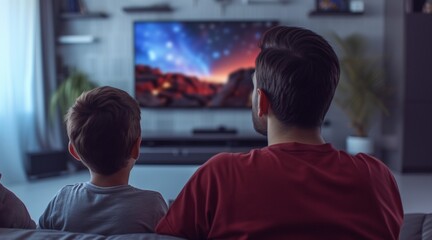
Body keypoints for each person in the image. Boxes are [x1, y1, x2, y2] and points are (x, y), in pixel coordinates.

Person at [155, 26, 403, 239]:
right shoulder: (377, 177)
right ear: (326, 98)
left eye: (253, 89)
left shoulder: (220, 175)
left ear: (262, 102)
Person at [38, 86, 168, 235]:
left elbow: (39, 235)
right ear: (136, 148)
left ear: (74, 151)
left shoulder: (62, 200)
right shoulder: (151, 206)